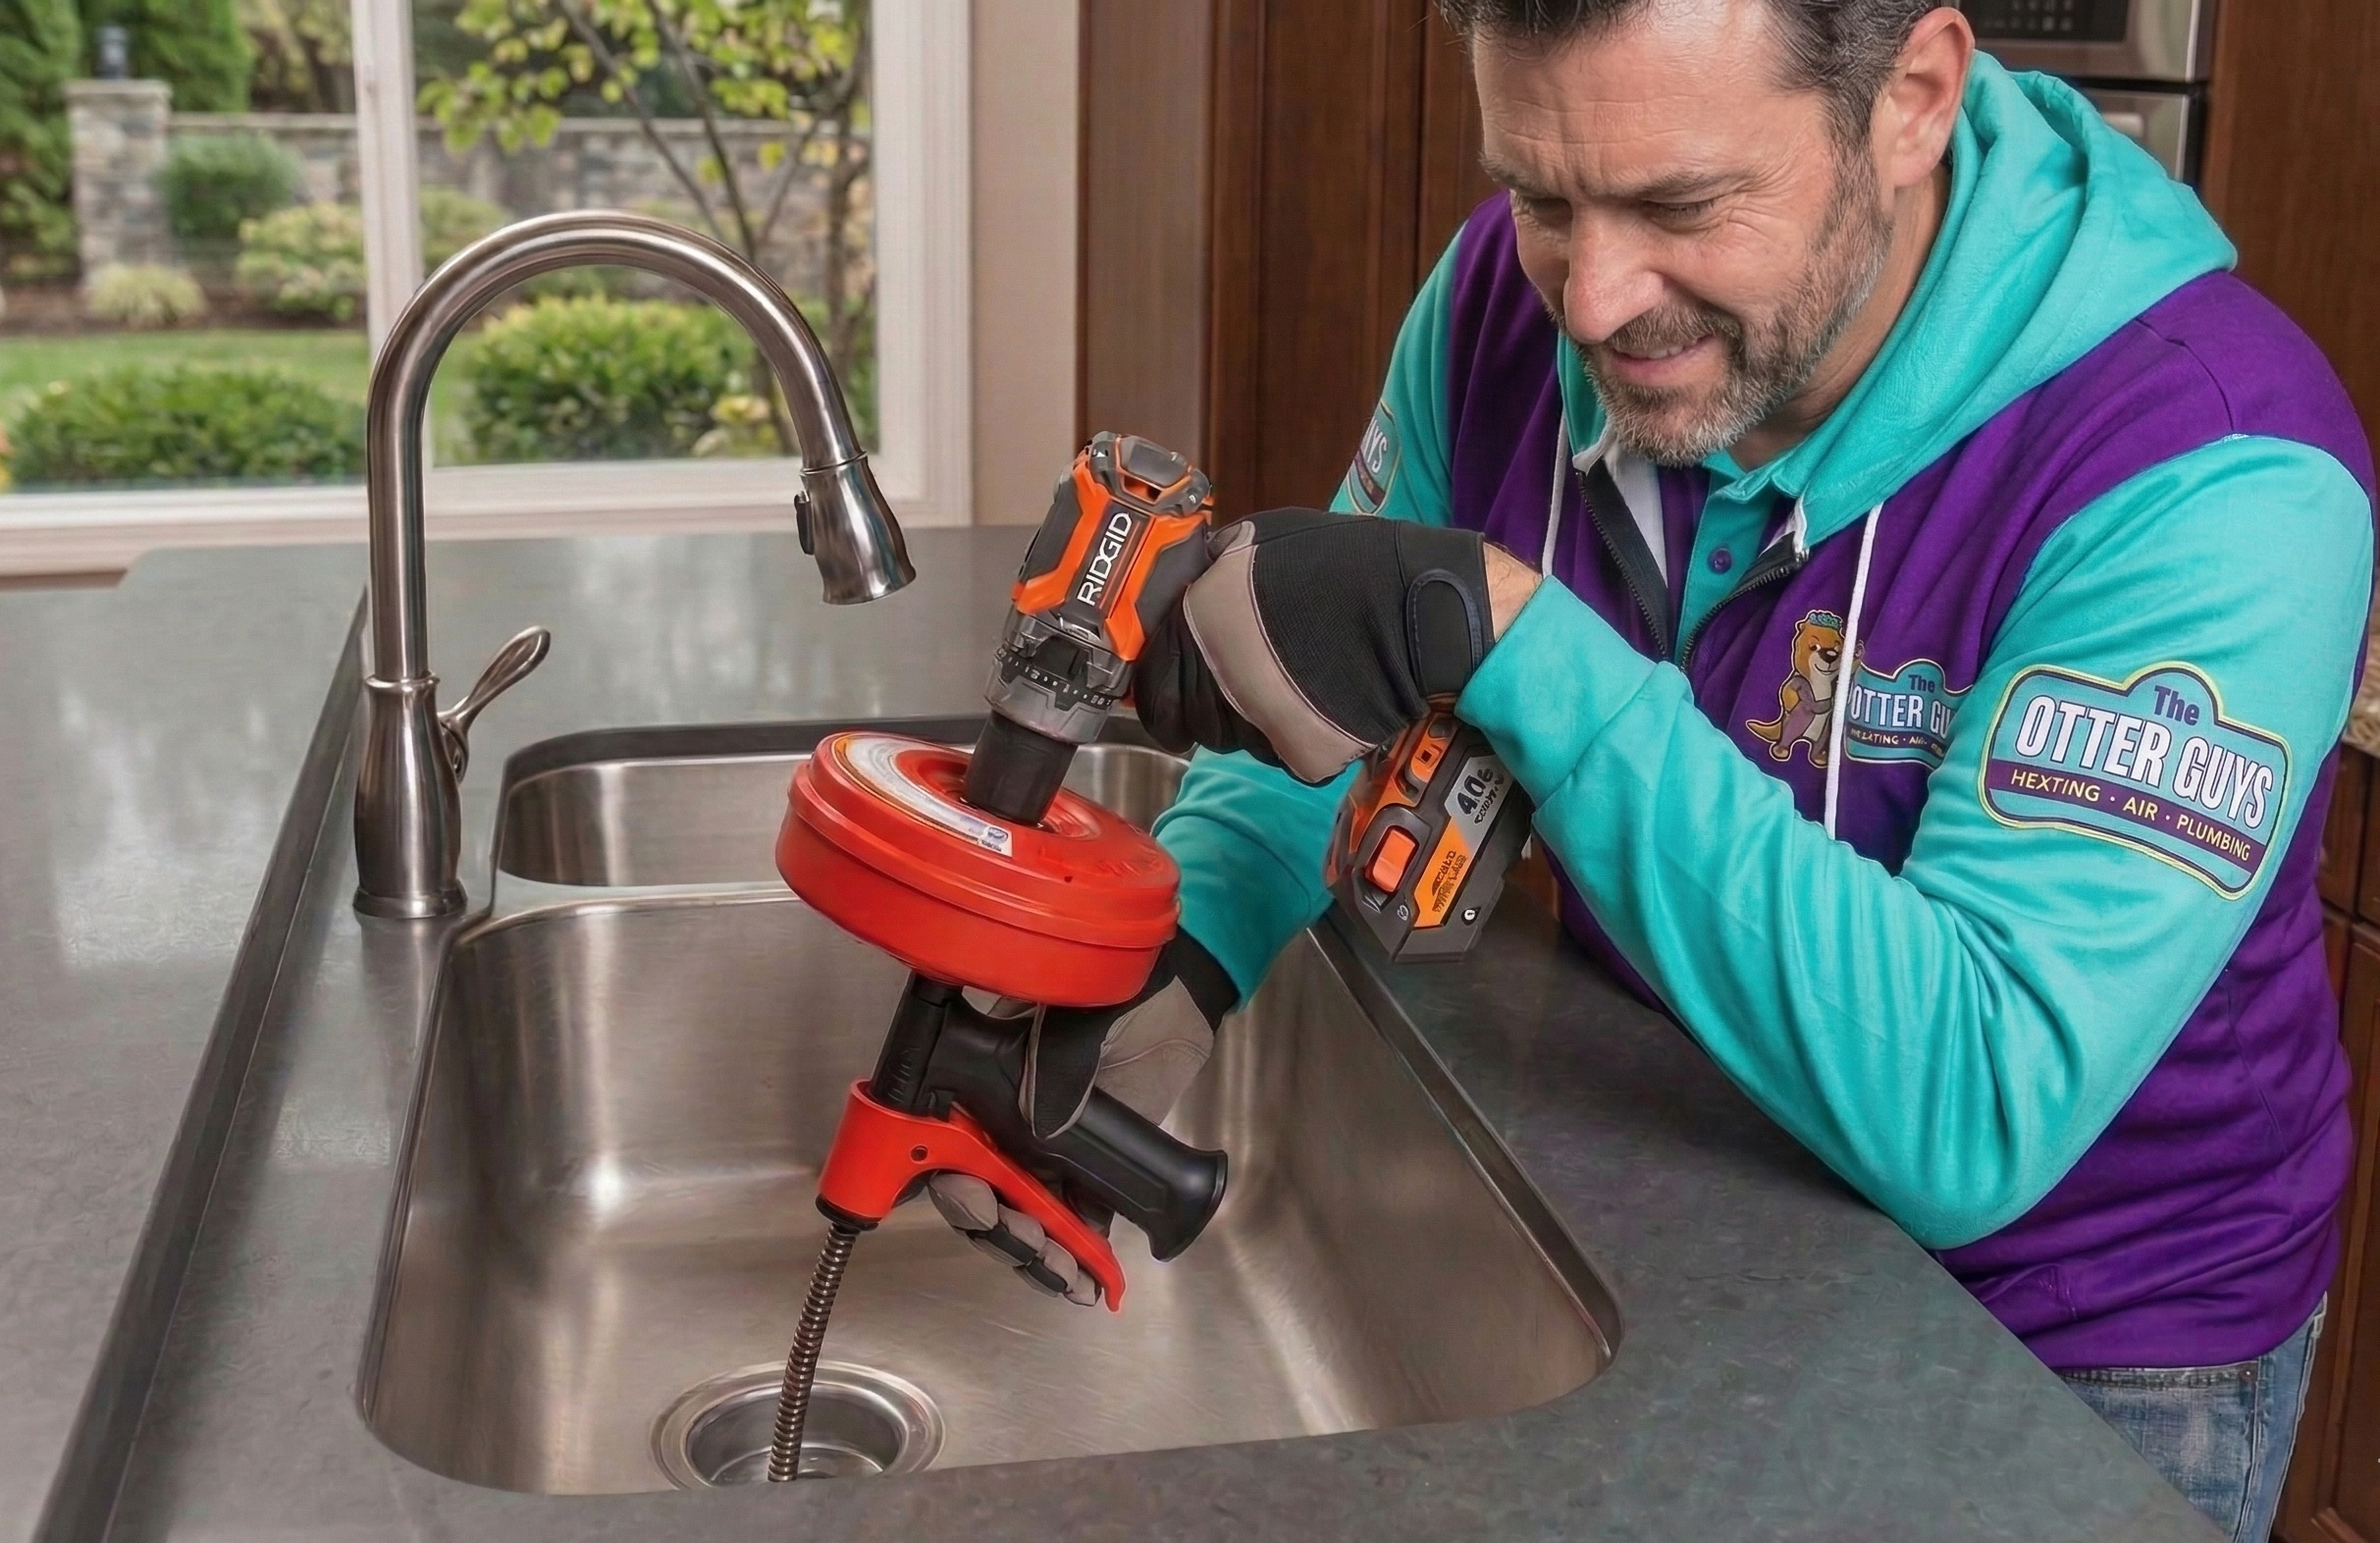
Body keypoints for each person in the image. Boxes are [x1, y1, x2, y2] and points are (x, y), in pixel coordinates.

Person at [926, 3, 2376, 1536]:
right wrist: (1168, 982)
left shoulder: (2209, 467)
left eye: (1681, 205)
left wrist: (1518, 645)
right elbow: (1326, 722)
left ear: (1914, 100)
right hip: (1679, 1206)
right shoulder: (1501, 296)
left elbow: (1976, 1110)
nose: (1594, 298)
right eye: (1545, 197)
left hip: (2072, 1345)